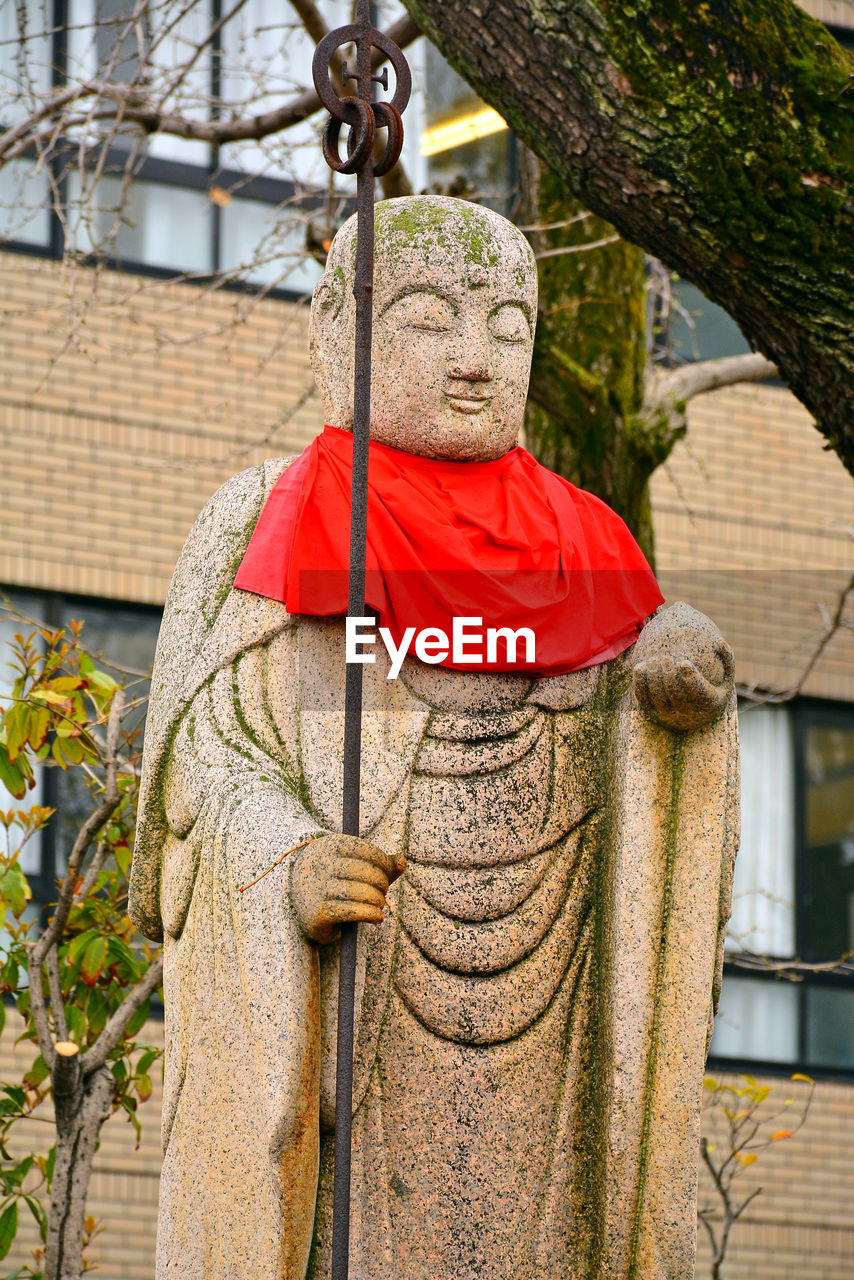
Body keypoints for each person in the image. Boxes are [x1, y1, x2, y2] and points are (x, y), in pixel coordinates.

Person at [130, 196, 738, 1280]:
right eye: (426, 319)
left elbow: (646, 731)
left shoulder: (588, 537)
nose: (473, 359)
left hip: (553, 1018)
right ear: (338, 332)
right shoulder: (266, 512)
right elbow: (206, 758)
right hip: (356, 1005)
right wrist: (283, 860)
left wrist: (676, 690)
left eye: (507, 328)